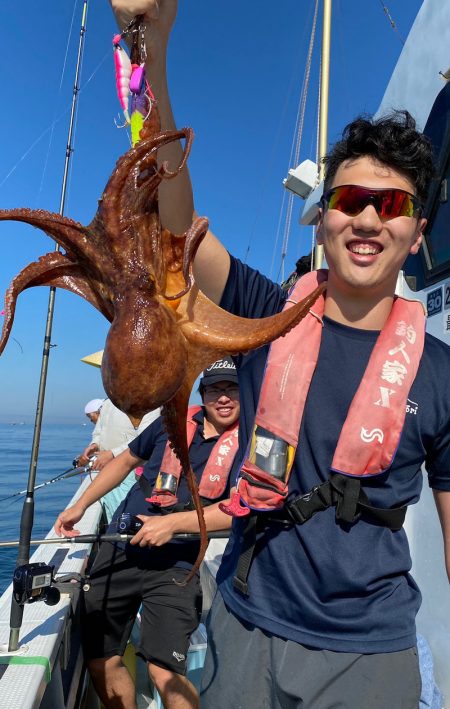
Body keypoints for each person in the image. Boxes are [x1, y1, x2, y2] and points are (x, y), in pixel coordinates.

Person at [108, 4, 450, 707]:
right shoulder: (267, 314)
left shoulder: (442, 375)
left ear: (417, 235)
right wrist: (153, 51)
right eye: (351, 197)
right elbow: (181, 232)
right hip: (246, 625)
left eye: (394, 205)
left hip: (371, 653)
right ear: (324, 219)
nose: (368, 218)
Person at [55, 358, 240, 709]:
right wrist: (80, 505)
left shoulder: (249, 444)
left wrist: (172, 524)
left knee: (165, 669)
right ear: (203, 394)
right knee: (101, 658)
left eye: (232, 388)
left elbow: (239, 508)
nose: (224, 397)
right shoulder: (169, 424)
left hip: (177, 564)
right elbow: (124, 462)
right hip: (121, 549)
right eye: (216, 388)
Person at [78, 397, 160, 521]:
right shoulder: (108, 402)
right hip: (109, 471)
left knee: (129, 517)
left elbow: (146, 437)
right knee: (114, 516)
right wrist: (95, 445)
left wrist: (113, 454)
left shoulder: (149, 400)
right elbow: (100, 430)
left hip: (132, 472)